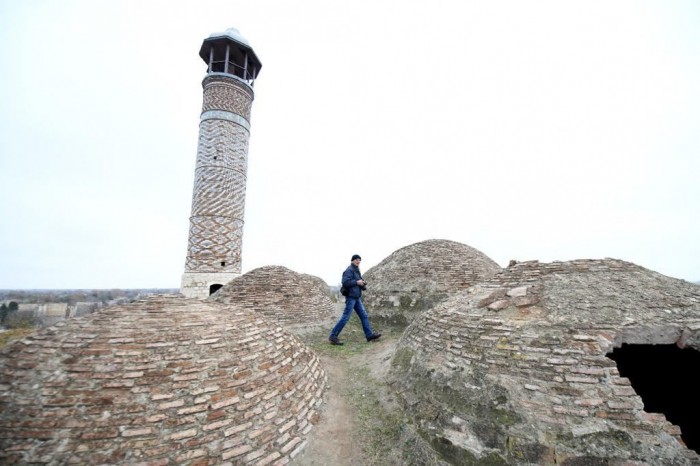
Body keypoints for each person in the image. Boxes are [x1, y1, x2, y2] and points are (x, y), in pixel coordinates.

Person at [329, 254, 381, 345]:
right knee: (346, 317)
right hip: (351, 298)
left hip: (357, 297)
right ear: (352, 260)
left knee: (364, 316)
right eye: (356, 259)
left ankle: (369, 335)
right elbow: (345, 282)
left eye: (359, 260)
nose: (358, 261)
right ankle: (333, 336)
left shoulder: (357, 270)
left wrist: (363, 283)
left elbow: (359, 282)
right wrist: (357, 282)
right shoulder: (349, 270)